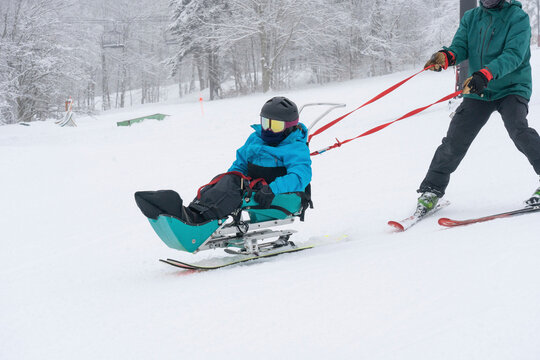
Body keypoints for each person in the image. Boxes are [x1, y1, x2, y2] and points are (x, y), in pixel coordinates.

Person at [417, 0, 540, 216]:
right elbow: (460, 47)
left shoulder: (517, 18)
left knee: (519, 131)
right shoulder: (472, 17)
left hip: (512, 86)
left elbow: (513, 54)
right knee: (455, 139)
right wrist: (446, 57)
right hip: (480, 88)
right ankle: (431, 190)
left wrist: (486, 74)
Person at [135, 96, 312, 224]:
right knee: (225, 179)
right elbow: (240, 164)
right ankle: (192, 212)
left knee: (233, 184)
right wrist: (229, 179)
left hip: (276, 195)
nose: (268, 129)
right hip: (253, 187)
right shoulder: (256, 138)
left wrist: (273, 188)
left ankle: (199, 220)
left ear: (289, 128)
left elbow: (300, 176)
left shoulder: (296, 148)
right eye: (265, 122)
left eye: (275, 126)